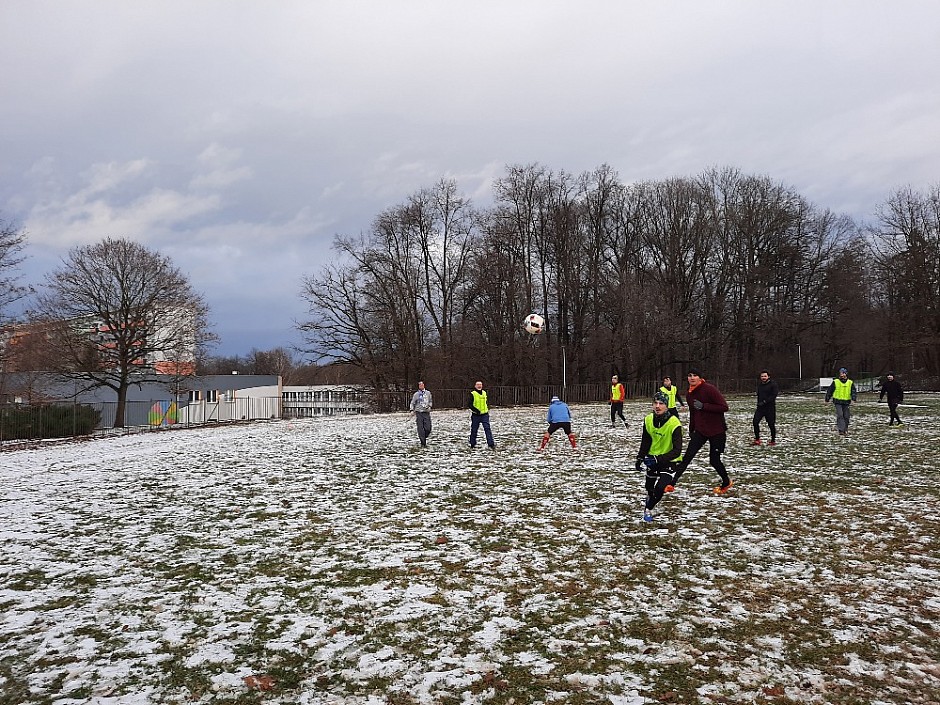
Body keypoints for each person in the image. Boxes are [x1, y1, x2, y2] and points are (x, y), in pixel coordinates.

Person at [673, 368, 732, 494]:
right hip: (700, 430)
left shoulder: (709, 389)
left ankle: (726, 482)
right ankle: (671, 483)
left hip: (717, 430)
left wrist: (704, 406)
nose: (692, 378)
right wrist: (691, 428)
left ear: (700, 378)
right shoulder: (689, 394)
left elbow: (724, 407)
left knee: (714, 460)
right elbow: (693, 413)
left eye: (695, 375)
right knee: (687, 456)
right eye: (689, 375)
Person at [635, 391, 683, 521]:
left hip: (669, 461)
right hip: (652, 459)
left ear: (667, 406)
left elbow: (677, 450)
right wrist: (640, 457)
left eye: (661, 403)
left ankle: (649, 508)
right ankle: (650, 498)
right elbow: (646, 441)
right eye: (655, 403)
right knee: (649, 487)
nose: (657, 406)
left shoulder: (674, 423)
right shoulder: (648, 420)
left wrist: (658, 458)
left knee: (660, 488)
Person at [825, 367, 857, 436]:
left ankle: (845, 429)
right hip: (837, 402)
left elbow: (853, 391)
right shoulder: (835, 382)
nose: (841, 375)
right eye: (841, 373)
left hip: (846, 402)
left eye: (843, 373)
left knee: (846, 416)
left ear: (846, 374)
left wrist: (853, 399)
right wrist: (827, 399)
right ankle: (841, 430)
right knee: (840, 415)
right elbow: (830, 391)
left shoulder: (850, 382)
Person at [752, 370, 779, 445]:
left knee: (771, 424)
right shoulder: (760, 385)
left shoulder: (773, 385)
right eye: (762, 376)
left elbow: (773, 395)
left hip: (770, 408)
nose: (763, 377)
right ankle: (757, 439)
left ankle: (773, 440)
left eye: (765, 376)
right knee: (755, 422)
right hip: (760, 408)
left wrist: (765, 402)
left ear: (768, 376)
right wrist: (759, 403)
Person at [467, 380, 495, 449]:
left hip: (484, 415)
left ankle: (491, 444)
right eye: (478, 385)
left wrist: (487, 408)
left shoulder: (484, 393)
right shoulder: (472, 394)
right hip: (476, 415)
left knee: (487, 429)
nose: (479, 386)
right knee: (474, 430)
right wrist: (476, 411)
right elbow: (469, 405)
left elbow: (486, 402)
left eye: (480, 385)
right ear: (475, 386)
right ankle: (472, 444)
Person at [409, 380, 433, 447]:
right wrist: (411, 410)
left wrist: (430, 406)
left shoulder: (428, 393)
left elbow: (430, 401)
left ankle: (424, 436)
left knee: (428, 428)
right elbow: (412, 403)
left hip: (426, 413)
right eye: (420, 385)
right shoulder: (416, 395)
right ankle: (423, 442)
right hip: (419, 413)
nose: (421, 386)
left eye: (422, 385)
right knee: (420, 428)